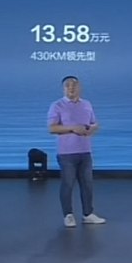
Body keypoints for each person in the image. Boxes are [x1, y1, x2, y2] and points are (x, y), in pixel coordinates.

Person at [47, 75, 106, 228]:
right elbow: (52, 128)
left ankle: (88, 214)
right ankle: (68, 215)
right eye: (67, 85)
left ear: (80, 87)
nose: (71, 88)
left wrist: (92, 129)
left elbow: (94, 123)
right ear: (63, 89)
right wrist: (73, 128)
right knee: (68, 184)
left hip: (85, 151)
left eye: (74, 85)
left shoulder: (87, 104)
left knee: (87, 185)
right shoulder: (57, 105)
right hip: (66, 153)